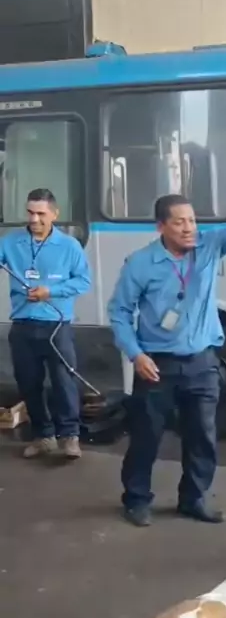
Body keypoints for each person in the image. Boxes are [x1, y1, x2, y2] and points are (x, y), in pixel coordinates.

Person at [108, 193, 226, 528]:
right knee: (146, 438)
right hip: (156, 366)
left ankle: (193, 499)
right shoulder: (140, 263)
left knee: (202, 437)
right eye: (179, 222)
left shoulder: (210, 246)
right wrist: (136, 354)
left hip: (202, 364)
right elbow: (119, 312)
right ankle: (136, 500)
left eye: (192, 220)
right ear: (161, 227)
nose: (189, 228)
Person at [0, 188, 91, 459]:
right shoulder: (11, 242)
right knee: (28, 384)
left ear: (54, 214)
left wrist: (49, 291)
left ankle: (70, 437)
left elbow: (83, 282)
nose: (34, 219)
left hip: (56, 326)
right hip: (23, 325)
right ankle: (44, 436)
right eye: (30, 212)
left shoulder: (69, 246)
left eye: (41, 213)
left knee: (64, 382)